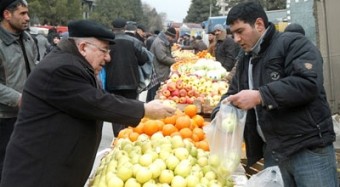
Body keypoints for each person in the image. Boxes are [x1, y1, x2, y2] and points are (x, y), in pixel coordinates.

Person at [0, 19, 175, 187]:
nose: (108, 59)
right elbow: (96, 102)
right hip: (38, 175)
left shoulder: (74, 63)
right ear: (83, 47)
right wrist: (144, 109)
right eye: (104, 51)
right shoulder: (62, 68)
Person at [211, 2, 338, 187]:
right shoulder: (246, 59)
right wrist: (219, 112)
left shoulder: (293, 44)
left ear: (259, 24)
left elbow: (308, 83)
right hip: (273, 152)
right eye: (233, 34)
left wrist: (260, 96)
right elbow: (234, 91)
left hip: (307, 149)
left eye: (240, 31)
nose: (236, 39)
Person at [0, 0, 38, 182]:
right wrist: (18, 98)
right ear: (7, 14)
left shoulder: (29, 39)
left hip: (28, 114)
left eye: (27, 13)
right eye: (22, 14)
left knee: (24, 166)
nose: (27, 18)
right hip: (4, 118)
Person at [105, 18, 149, 137]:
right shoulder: (134, 41)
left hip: (112, 81)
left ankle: (118, 135)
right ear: (125, 28)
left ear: (112, 28)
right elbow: (143, 59)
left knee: (115, 108)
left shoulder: (107, 42)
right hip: (131, 81)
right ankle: (129, 134)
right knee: (130, 107)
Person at [146, 27, 177, 102]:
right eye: (171, 37)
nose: (172, 39)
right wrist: (175, 61)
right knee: (154, 90)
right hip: (158, 70)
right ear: (167, 35)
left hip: (160, 69)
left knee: (154, 89)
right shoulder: (160, 42)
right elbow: (162, 57)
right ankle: (151, 106)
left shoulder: (163, 41)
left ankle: (150, 104)